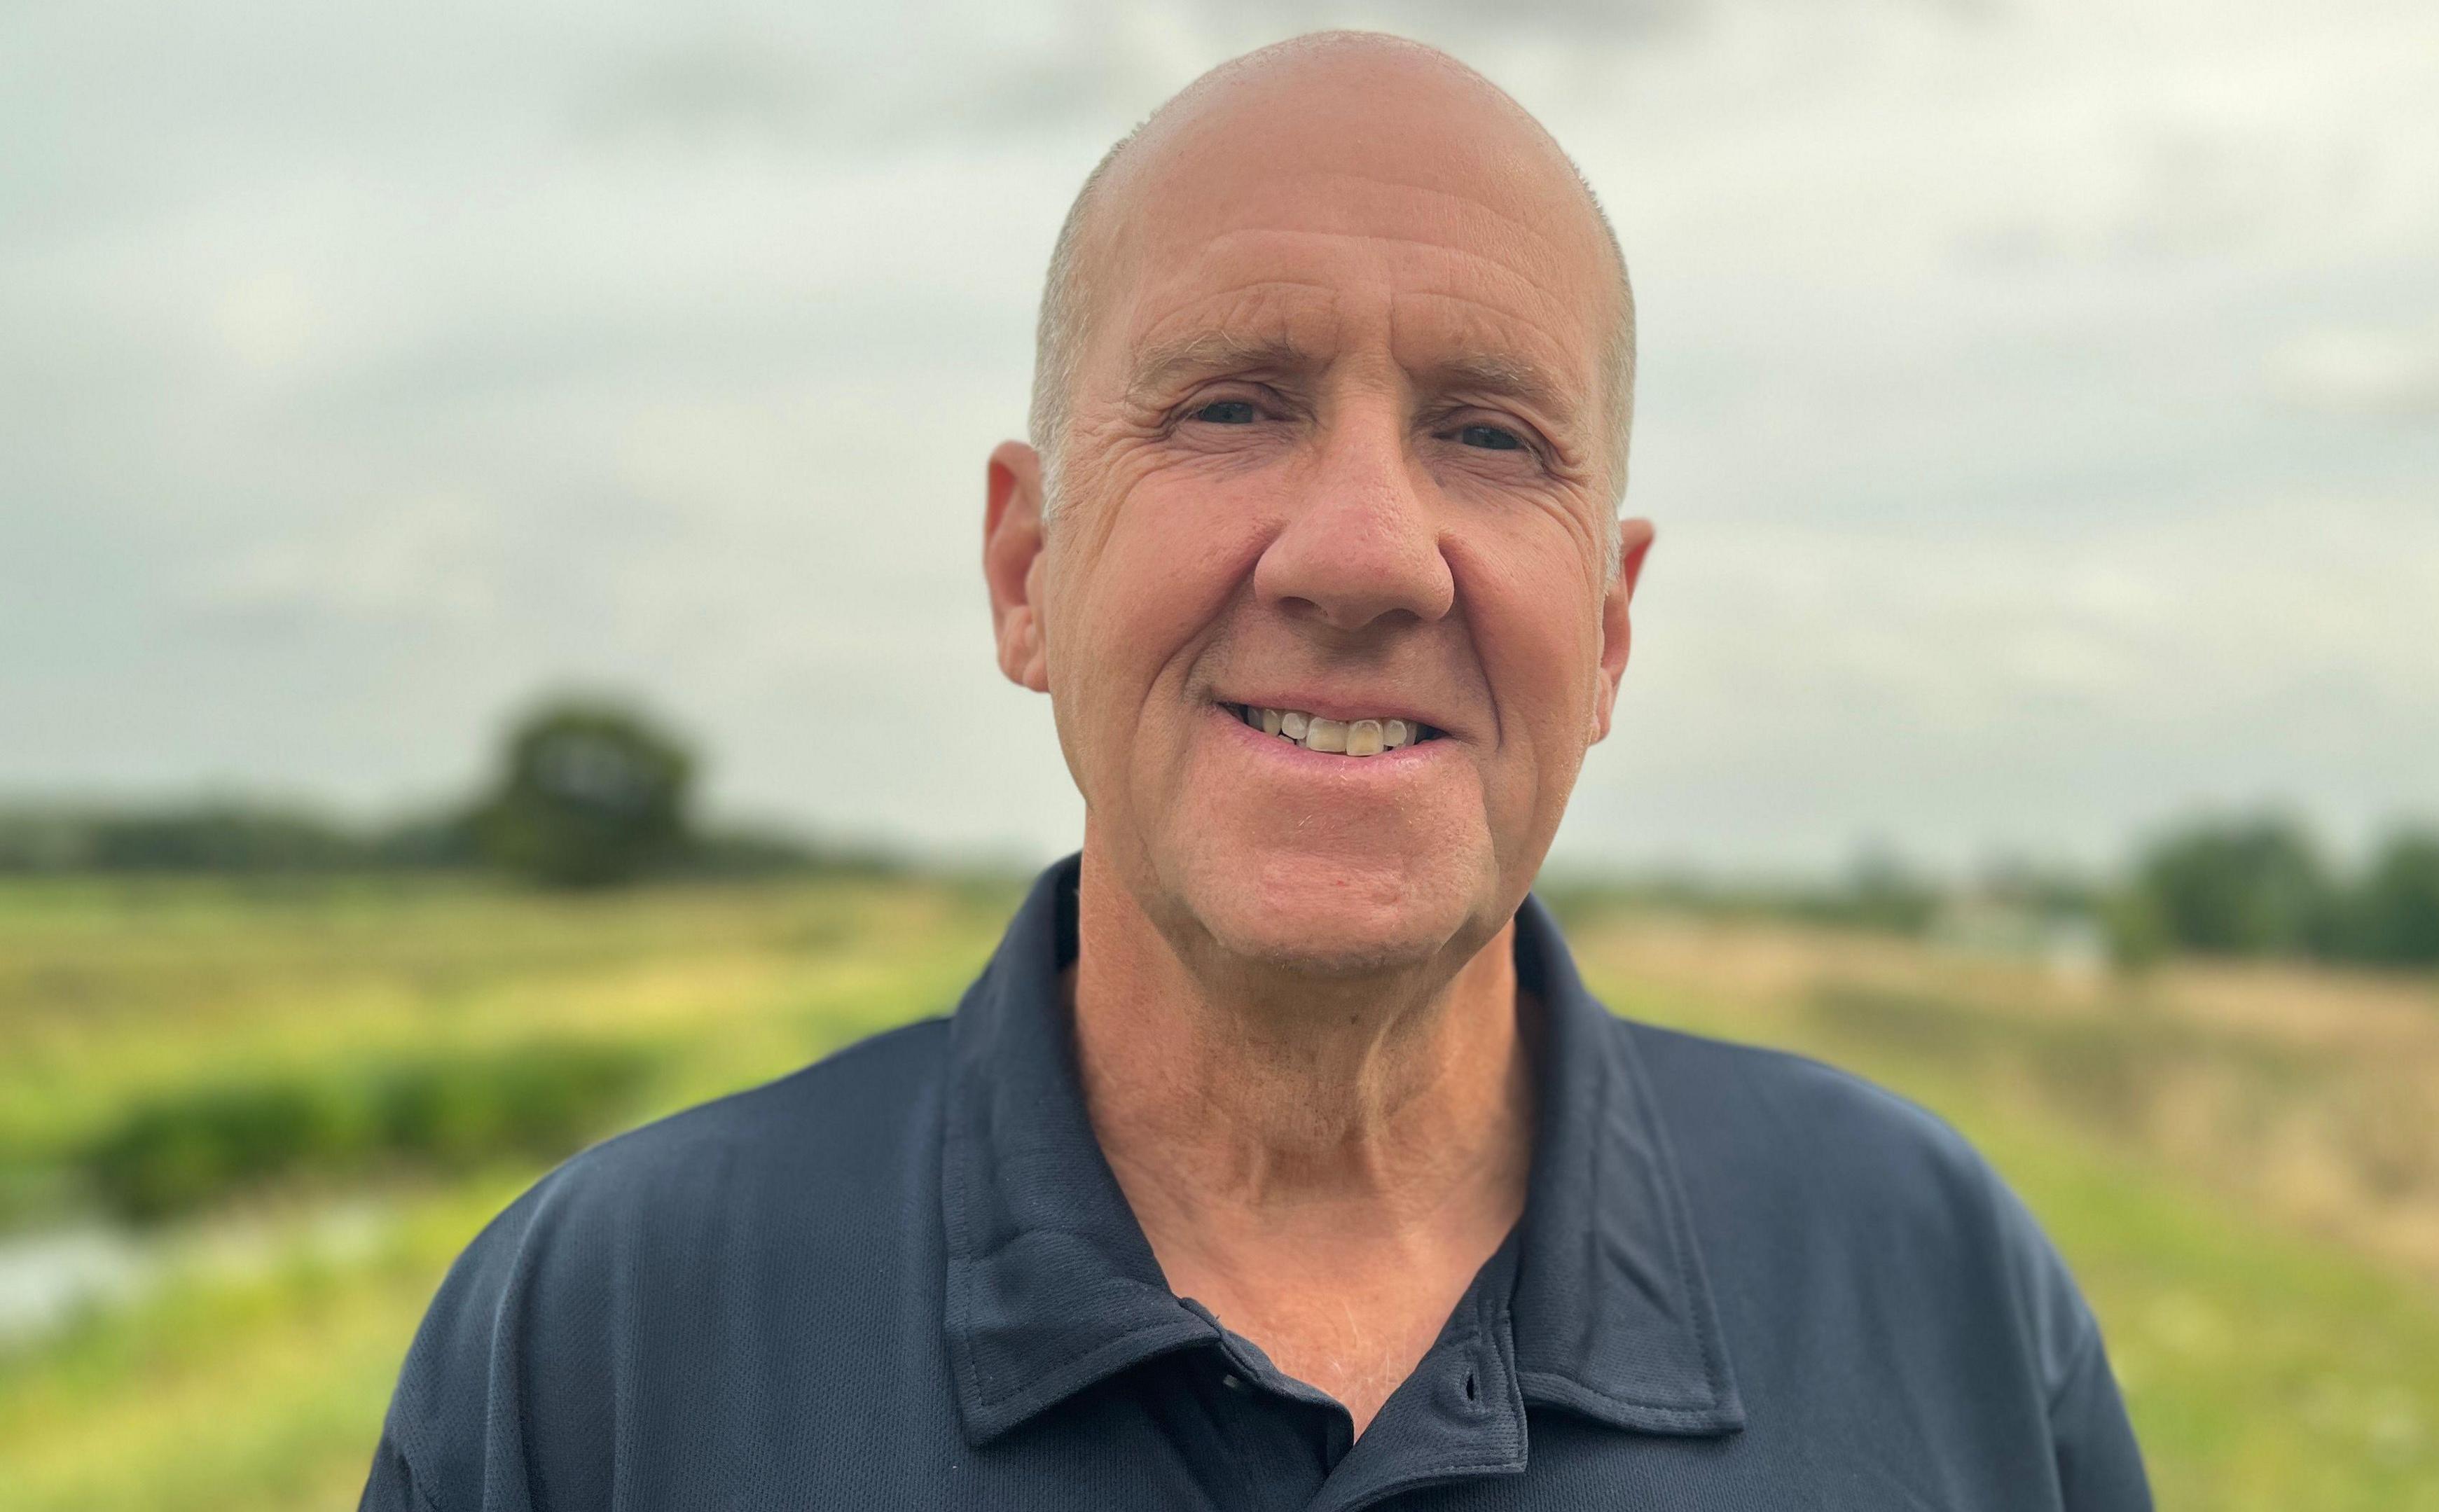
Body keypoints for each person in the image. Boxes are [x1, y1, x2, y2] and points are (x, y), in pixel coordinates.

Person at [359, 31, 2153, 1511]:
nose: (1367, 552)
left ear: (1606, 633)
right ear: (1025, 568)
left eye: (1489, 434)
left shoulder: (1935, 1283)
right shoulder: (603, 1342)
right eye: (1231, 406)